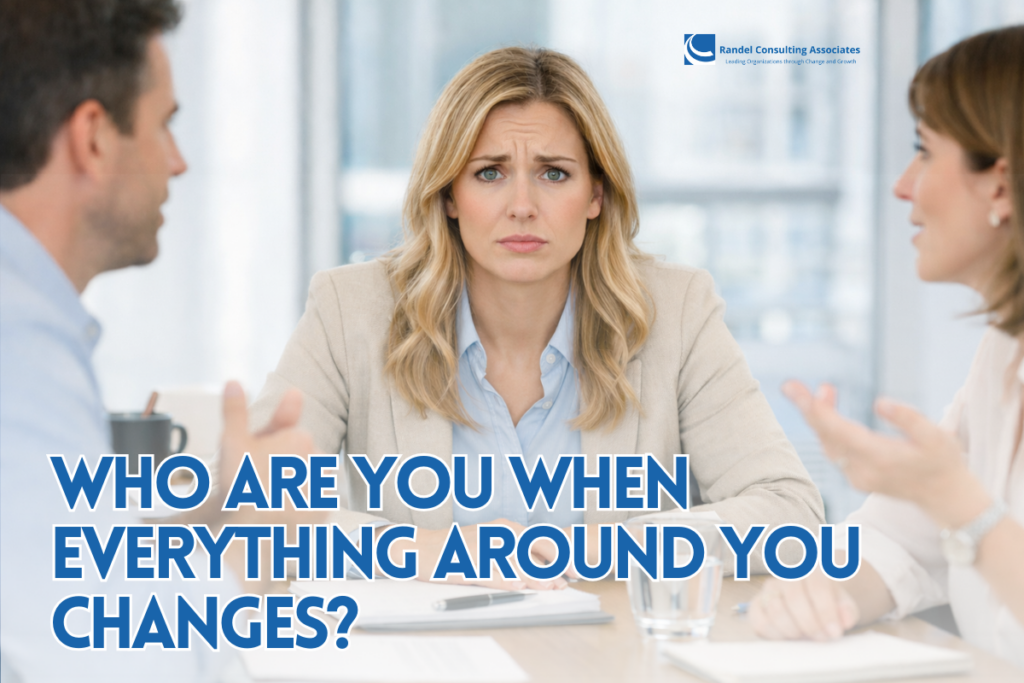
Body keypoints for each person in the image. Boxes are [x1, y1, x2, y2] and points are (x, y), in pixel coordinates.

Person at [250, 46, 825, 588]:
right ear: (449, 195)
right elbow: (256, 514)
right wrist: (425, 550)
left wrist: (605, 548)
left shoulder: (677, 310)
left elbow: (789, 510)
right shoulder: (351, 309)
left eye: (554, 173)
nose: (522, 205)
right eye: (489, 173)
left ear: (596, 194)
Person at [0, 1, 318, 680]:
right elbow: (123, 663)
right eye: (163, 125)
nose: (177, 163)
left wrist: (200, 528)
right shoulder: (18, 351)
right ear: (92, 138)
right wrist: (248, 552)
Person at [748, 25, 1024, 669]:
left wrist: (954, 499)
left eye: (924, 152)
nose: (903, 186)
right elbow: (902, 543)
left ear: (1001, 186)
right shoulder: (1002, 354)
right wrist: (818, 594)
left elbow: (961, 516)